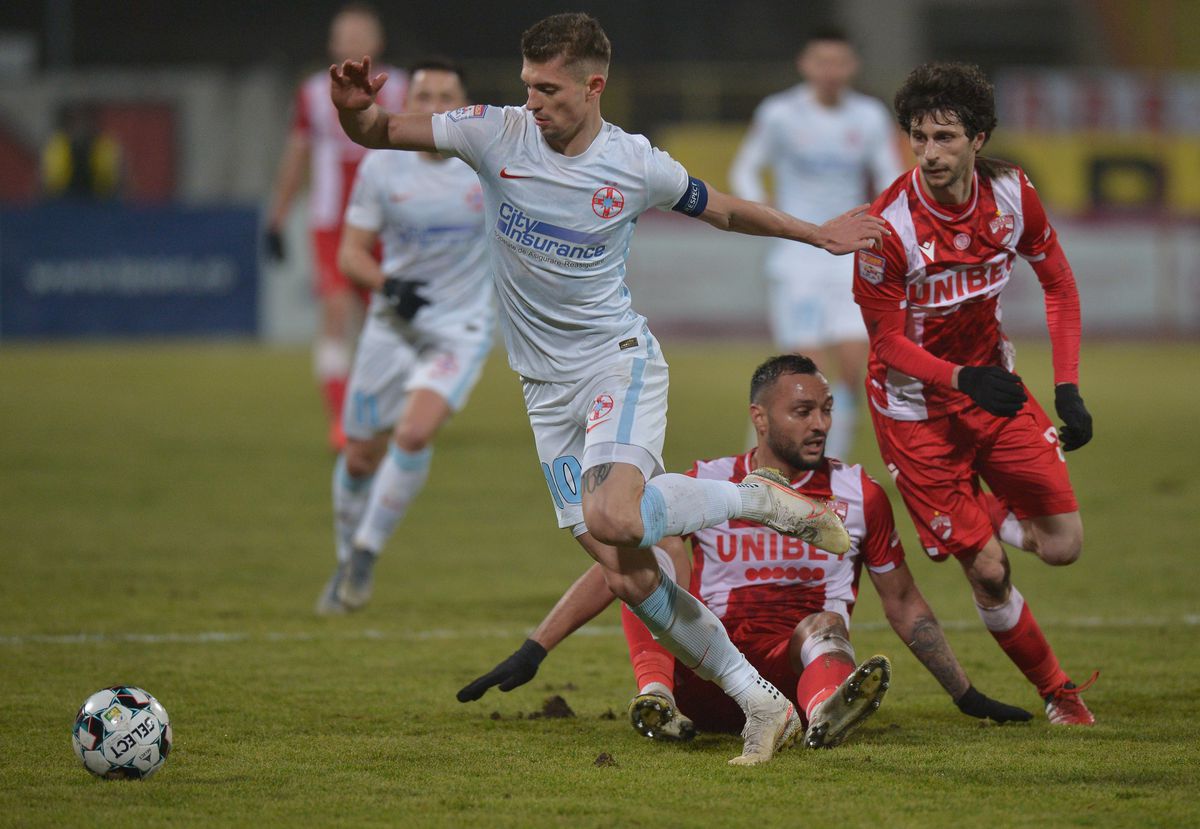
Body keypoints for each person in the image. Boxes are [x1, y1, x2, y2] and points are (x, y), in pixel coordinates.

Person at [330, 12, 885, 765]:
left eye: (549, 88)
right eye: (527, 85)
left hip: (614, 362)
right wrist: (351, 105)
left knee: (615, 513)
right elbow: (377, 132)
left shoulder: (634, 163)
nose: (532, 101)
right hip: (542, 389)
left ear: (593, 86)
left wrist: (815, 232)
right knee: (626, 572)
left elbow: (723, 208)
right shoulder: (491, 132)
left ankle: (753, 498)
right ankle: (760, 702)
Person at [458, 355, 1032, 749]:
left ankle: (829, 711)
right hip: (708, 670)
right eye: (802, 412)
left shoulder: (862, 494)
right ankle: (657, 693)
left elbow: (905, 604)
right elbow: (621, 571)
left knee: (826, 622)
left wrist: (966, 694)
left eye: (827, 410)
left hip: (798, 671)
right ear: (759, 418)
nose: (820, 425)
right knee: (653, 560)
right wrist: (535, 649)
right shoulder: (706, 483)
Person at [852, 62, 1097, 725]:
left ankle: (975, 508)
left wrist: (1067, 388)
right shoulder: (888, 228)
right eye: (918, 137)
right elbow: (887, 345)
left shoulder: (1014, 195)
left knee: (1064, 544)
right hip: (916, 411)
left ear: (978, 140)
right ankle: (1059, 693)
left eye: (945, 138)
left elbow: (1060, 286)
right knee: (988, 572)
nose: (929, 153)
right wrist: (962, 378)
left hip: (993, 388)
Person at [316, 59, 494, 615]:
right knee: (362, 456)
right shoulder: (382, 169)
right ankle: (346, 558)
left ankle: (367, 552)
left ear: (463, 106)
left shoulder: (487, 167)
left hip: (461, 328)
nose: (436, 103)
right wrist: (389, 285)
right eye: (425, 93)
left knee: (414, 435)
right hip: (393, 326)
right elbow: (350, 255)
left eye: (448, 93)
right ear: (408, 103)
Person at [729, 28, 904, 461]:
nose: (830, 71)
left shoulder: (868, 116)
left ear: (852, 67)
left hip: (849, 259)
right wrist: (764, 210)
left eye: (839, 62)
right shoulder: (780, 113)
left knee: (851, 371)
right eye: (821, 61)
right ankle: (762, 463)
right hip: (799, 257)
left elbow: (889, 179)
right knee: (803, 374)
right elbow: (745, 169)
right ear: (805, 64)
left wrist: (879, 226)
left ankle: (825, 469)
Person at [265, 3, 408, 450]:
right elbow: (297, 156)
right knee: (335, 312)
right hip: (332, 223)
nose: (351, 42)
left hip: (390, 223)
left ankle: (380, 412)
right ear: (331, 43)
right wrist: (278, 216)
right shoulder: (312, 93)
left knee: (383, 324)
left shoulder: (403, 87)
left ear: (377, 42)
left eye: (360, 34)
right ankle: (342, 422)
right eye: (343, 34)